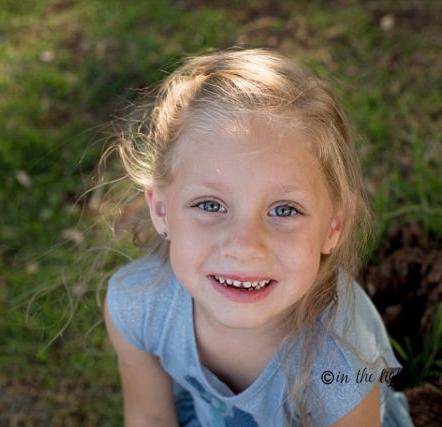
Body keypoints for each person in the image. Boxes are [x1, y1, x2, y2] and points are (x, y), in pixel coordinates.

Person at [102, 49, 414, 426]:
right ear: (162, 209)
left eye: (284, 210)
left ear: (333, 226)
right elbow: (149, 417)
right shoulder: (141, 304)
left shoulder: (340, 358)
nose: (245, 245)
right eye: (211, 205)